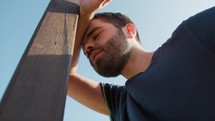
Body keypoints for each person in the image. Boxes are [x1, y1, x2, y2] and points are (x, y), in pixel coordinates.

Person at [67, 0, 215, 121]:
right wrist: (84, 14)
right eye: (85, 52)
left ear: (129, 30)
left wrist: (87, 13)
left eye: (96, 34)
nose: (88, 47)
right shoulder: (119, 104)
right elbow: (63, 76)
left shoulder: (189, 38)